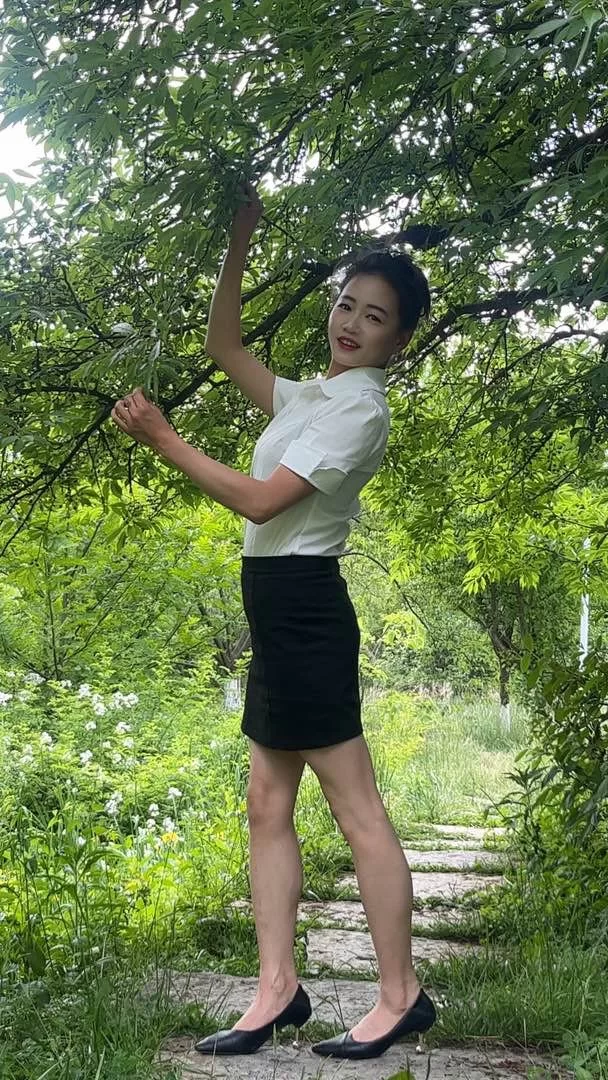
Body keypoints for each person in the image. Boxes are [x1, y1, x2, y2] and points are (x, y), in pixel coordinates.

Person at [110, 181, 436, 1060]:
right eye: (346, 303)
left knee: (356, 808)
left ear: (398, 340)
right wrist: (240, 237)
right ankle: (276, 990)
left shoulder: (359, 409)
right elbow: (224, 345)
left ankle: (400, 994)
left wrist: (164, 439)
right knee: (267, 803)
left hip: (306, 613)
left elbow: (261, 501)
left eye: (374, 316)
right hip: (277, 609)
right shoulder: (313, 398)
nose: (351, 323)